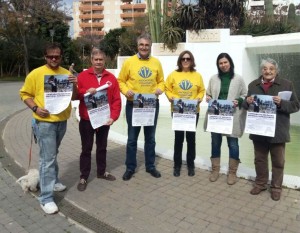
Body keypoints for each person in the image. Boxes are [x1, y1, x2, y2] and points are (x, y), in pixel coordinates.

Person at [19, 42, 77, 214]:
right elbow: (24, 94)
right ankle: (46, 198)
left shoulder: (66, 74)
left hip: (62, 121)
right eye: (50, 56)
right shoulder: (36, 74)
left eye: (57, 56)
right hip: (44, 123)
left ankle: (54, 180)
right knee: (48, 158)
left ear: (61, 57)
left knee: (52, 153)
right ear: (45, 57)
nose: (54, 59)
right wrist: (36, 108)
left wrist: (74, 83)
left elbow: (73, 97)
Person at [243, 58, 299, 201]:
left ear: (276, 70)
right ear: (261, 70)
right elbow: (245, 105)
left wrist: (282, 103)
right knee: (260, 160)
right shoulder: (253, 85)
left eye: (271, 69)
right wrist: (246, 102)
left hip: (277, 131)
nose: (268, 71)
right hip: (259, 130)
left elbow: (295, 106)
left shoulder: (287, 84)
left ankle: (276, 187)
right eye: (265, 69)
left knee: (278, 161)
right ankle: (260, 184)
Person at [118, 33, 165, 181]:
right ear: (137, 46)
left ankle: (150, 166)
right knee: (132, 138)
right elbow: (120, 81)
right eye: (141, 45)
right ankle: (130, 167)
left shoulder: (156, 63)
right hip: (134, 104)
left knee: (150, 138)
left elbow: (162, 81)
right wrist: (126, 91)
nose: (144, 47)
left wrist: (160, 89)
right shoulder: (129, 62)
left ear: (150, 46)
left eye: (147, 45)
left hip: (151, 104)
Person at [76, 48, 121, 191]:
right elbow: (75, 95)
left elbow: (116, 100)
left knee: (102, 148)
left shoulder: (111, 78)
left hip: (103, 120)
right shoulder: (82, 76)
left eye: (101, 59)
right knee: (86, 149)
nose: (98, 62)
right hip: (86, 119)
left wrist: (113, 117)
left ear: (104, 60)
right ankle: (84, 176)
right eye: (96, 59)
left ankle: (101, 172)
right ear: (91, 60)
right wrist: (85, 92)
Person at [205, 53, 247, 185]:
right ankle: (215, 170)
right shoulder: (213, 78)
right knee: (215, 143)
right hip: (216, 116)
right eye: (220, 63)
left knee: (233, 144)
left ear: (230, 63)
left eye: (225, 62)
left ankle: (232, 172)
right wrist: (208, 97)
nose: (223, 65)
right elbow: (208, 93)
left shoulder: (238, 79)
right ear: (218, 65)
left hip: (232, 116)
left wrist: (238, 100)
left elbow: (245, 95)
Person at [165, 50, 205, 177]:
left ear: (192, 60)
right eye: (183, 59)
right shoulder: (173, 75)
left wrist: (199, 98)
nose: (186, 61)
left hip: (193, 112)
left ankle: (190, 164)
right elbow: (167, 88)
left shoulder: (197, 75)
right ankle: (177, 165)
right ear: (180, 61)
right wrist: (170, 96)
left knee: (191, 139)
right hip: (178, 111)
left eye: (188, 59)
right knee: (178, 138)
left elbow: (201, 90)